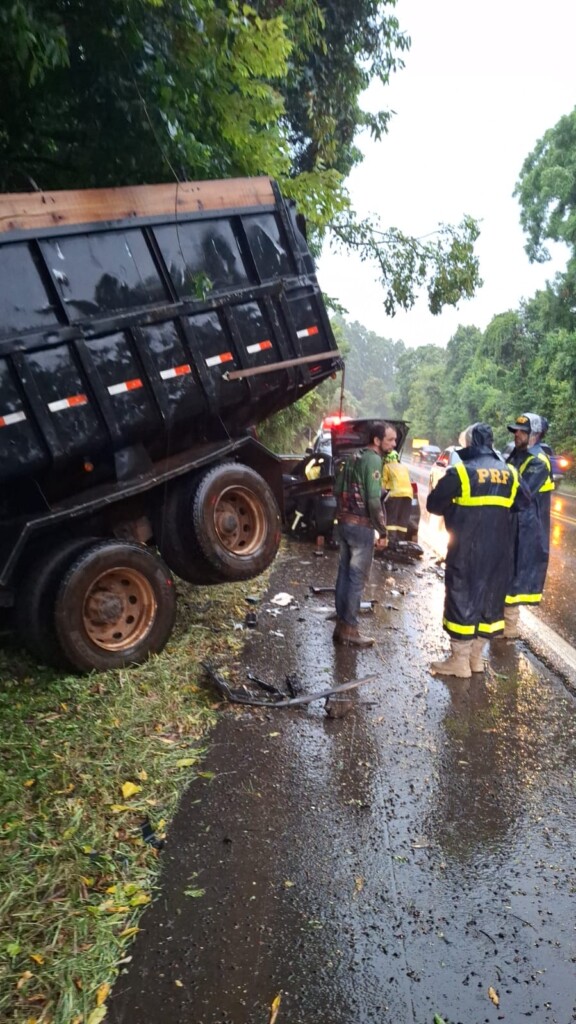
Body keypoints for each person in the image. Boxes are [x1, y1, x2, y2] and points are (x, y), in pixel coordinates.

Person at [426, 422, 521, 678]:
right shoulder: (510, 473)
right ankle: (476, 660)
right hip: (499, 553)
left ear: (469, 443)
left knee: (461, 599)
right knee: (489, 602)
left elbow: (433, 505)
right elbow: (522, 503)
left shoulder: (461, 472)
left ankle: (459, 662)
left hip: (466, 550)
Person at [333, 422, 397, 646]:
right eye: (390, 439)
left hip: (344, 523)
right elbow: (373, 500)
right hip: (361, 527)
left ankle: (340, 625)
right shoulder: (373, 459)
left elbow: (336, 488)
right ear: (377, 440)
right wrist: (382, 531)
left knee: (344, 573)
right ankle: (350, 629)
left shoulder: (353, 457)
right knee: (356, 578)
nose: (394, 444)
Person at [502, 412, 554, 637]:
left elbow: (521, 493)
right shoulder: (517, 454)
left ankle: (510, 628)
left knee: (516, 574)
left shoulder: (538, 461)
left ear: (535, 435)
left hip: (527, 528)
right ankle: (503, 624)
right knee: (506, 571)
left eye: (522, 431)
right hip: (513, 522)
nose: (517, 434)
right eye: (516, 431)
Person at [381, 450, 413, 547]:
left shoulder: (387, 466)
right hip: (408, 496)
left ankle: (391, 542)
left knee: (391, 519)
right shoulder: (404, 467)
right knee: (402, 519)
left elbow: (383, 484)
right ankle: (400, 542)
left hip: (395, 495)